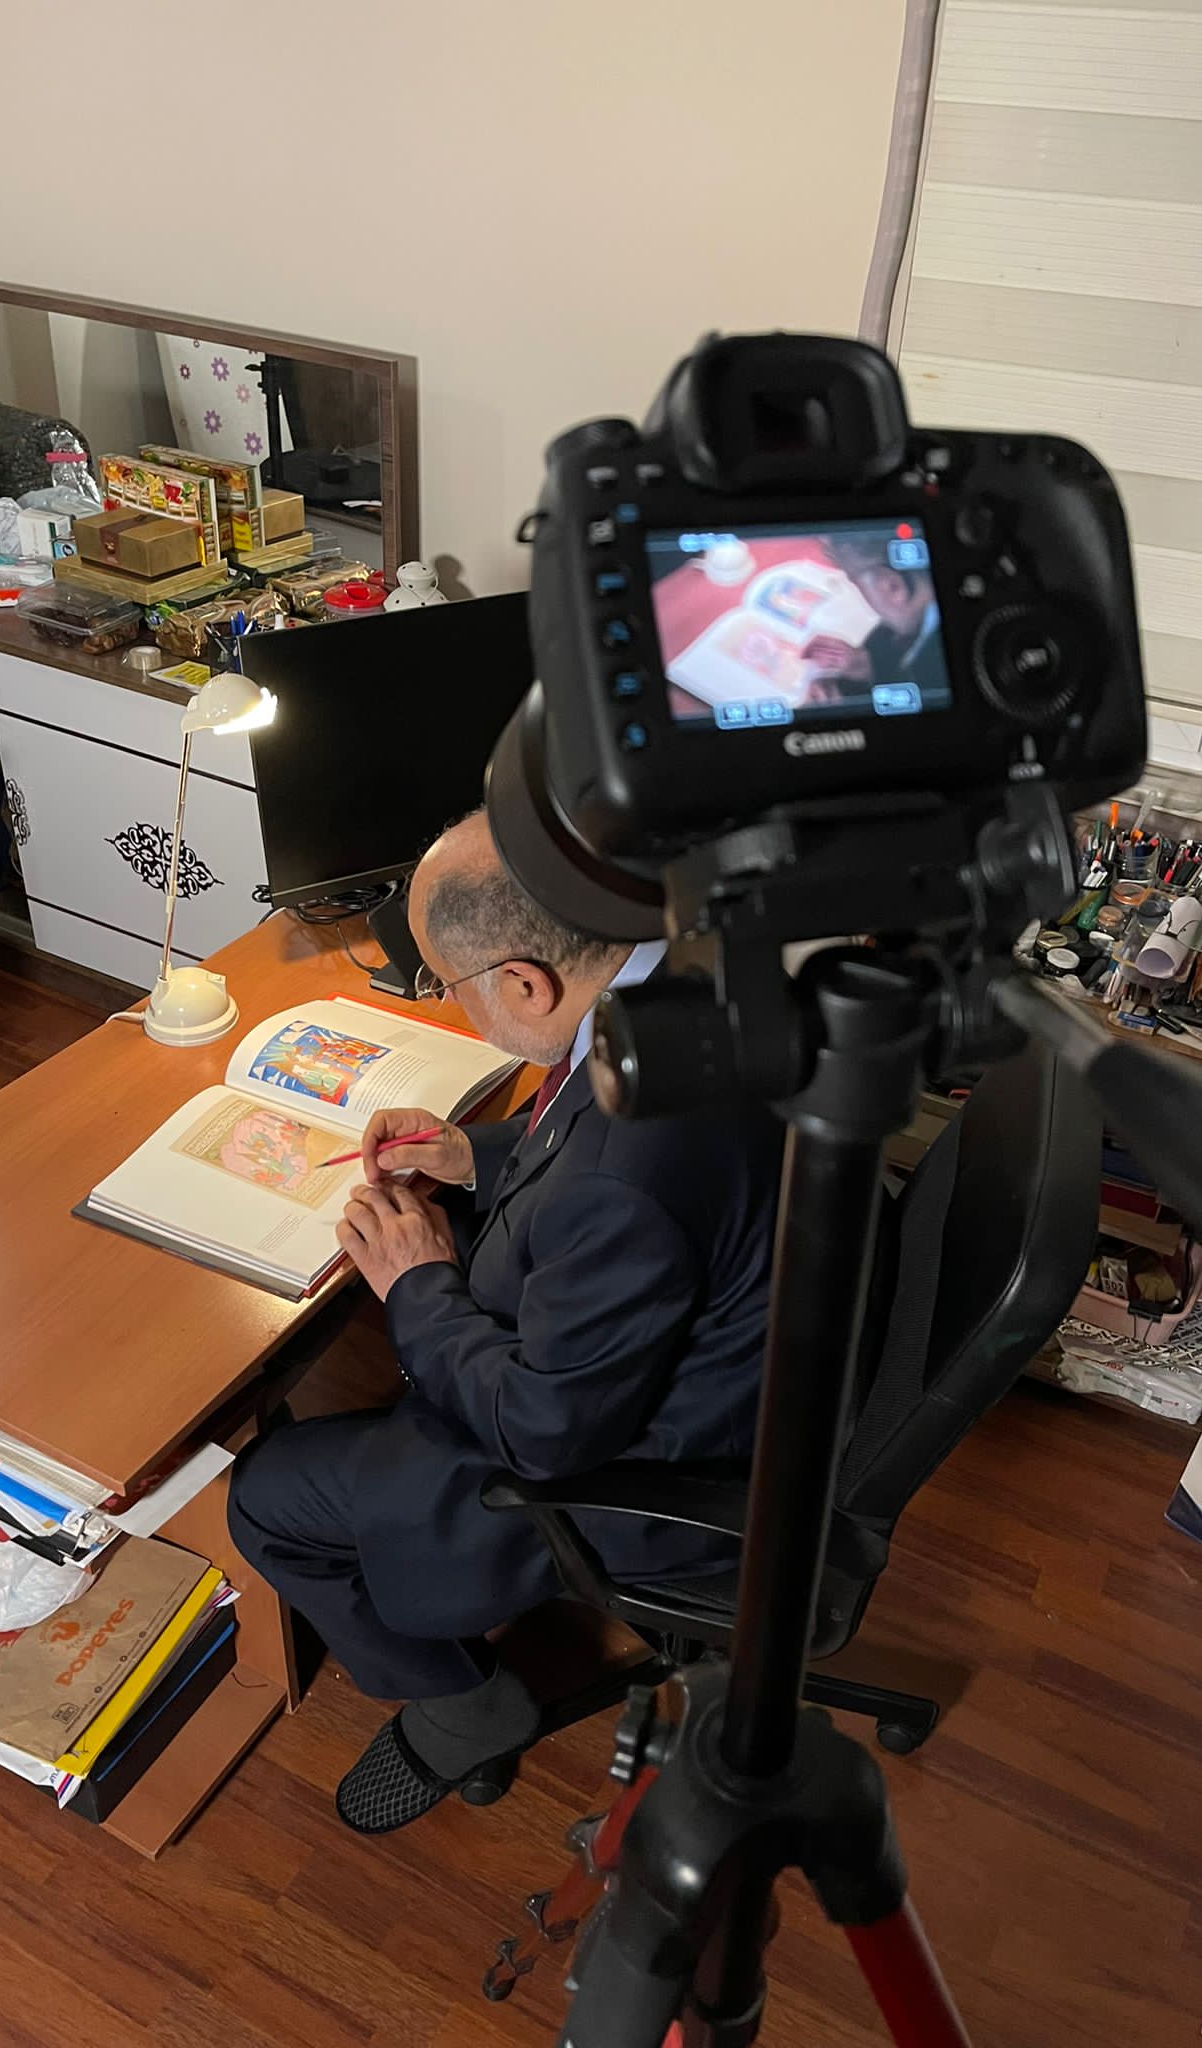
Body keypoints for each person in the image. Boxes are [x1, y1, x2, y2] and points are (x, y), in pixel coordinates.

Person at [228, 811, 780, 1837]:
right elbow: (576, 1136)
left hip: (648, 1465)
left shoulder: (628, 1169)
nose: (449, 1000)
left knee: (263, 1496)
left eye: (449, 983)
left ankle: (465, 1703)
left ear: (526, 983)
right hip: (733, 1343)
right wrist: (472, 1155)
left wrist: (418, 1284)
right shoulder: (694, 968)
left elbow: (543, 1431)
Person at [800, 537, 945, 705]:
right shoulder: (918, 628)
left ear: (892, 586)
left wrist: (844, 705)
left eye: (856, 584)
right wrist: (865, 665)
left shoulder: (932, 683)